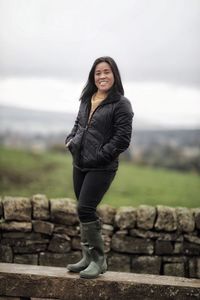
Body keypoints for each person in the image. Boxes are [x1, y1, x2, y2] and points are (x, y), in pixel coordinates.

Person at [65, 56, 134, 279]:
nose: (102, 76)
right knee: (85, 211)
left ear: (114, 75)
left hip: (102, 167)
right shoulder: (87, 99)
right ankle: (88, 257)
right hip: (79, 163)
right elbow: (78, 125)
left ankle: (99, 260)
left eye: (106, 71)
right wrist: (71, 141)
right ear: (93, 77)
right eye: (98, 73)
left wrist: (99, 156)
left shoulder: (121, 104)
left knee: (85, 208)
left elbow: (122, 140)